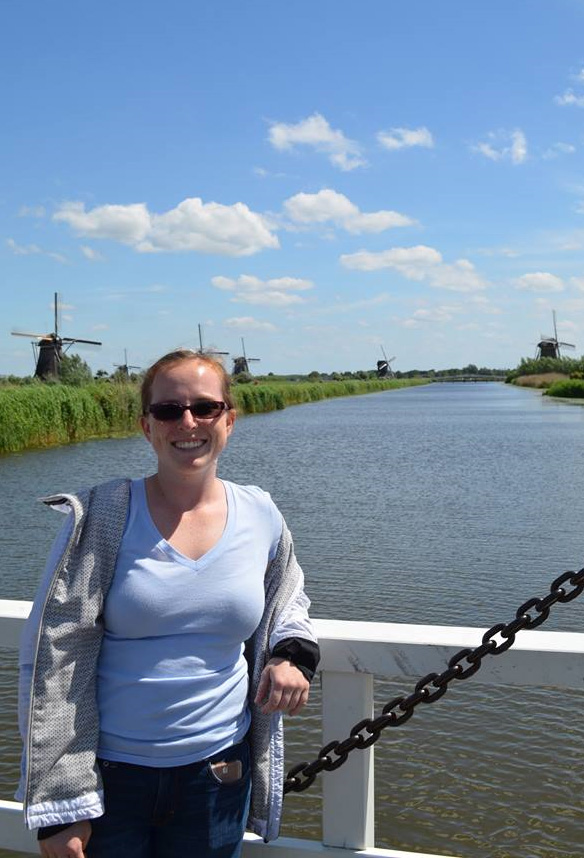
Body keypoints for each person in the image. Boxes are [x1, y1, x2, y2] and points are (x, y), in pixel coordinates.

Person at [17, 349, 319, 858]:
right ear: (146, 426)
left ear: (229, 419)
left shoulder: (260, 512)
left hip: (219, 772)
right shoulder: (101, 516)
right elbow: (55, 654)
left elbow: (288, 595)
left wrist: (292, 653)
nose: (188, 422)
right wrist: (64, 803)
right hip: (111, 779)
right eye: (168, 410)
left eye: (205, 407)